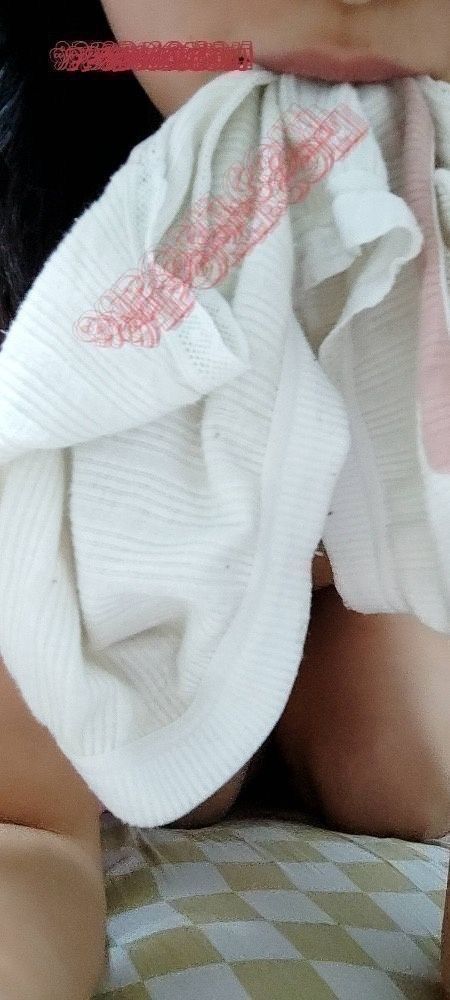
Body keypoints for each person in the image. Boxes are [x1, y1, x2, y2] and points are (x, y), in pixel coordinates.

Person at [0, 0, 449, 996]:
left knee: (405, 762)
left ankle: (281, 682)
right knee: (45, 771)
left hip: (347, 572)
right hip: (106, 559)